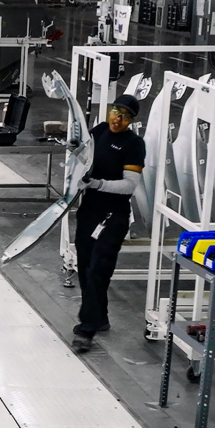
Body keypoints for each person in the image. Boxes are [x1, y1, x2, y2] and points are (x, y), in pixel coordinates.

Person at [70, 93, 145, 354]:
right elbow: (84, 155)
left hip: (113, 215)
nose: (118, 119)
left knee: (98, 269)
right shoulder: (100, 131)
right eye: (116, 111)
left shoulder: (134, 144)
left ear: (132, 121)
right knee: (84, 265)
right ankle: (99, 317)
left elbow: (129, 185)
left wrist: (99, 184)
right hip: (89, 209)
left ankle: (87, 328)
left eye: (125, 116)